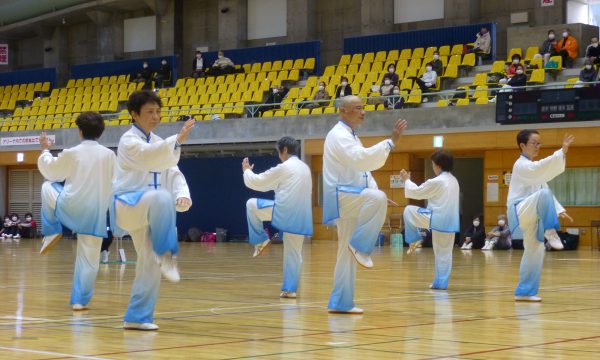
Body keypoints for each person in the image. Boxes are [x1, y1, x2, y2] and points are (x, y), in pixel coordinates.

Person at [113, 90, 195, 330]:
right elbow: (151, 158)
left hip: (151, 213)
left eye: (158, 111)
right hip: (127, 204)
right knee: (160, 197)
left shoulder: (159, 142)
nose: (156, 116)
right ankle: (168, 252)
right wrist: (177, 140)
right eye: (150, 112)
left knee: (149, 262)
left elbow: (172, 171)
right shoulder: (128, 141)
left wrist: (182, 194)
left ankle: (137, 317)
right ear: (134, 115)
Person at [323, 95, 407, 314]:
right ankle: (360, 245)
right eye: (358, 108)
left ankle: (341, 302)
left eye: (363, 107)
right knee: (377, 200)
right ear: (343, 111)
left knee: (344, 251)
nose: (363, 112)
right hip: (342, 196)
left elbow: (363, 170)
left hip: (352, 196)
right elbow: (362, 159)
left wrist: (375, 191)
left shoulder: (351, 136)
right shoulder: (338, 136)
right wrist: (390, 142)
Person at [37, 112, 116, 311]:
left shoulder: (71, 152)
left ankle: (52, 230)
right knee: (89, 259)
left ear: (80, 132)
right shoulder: (109, 155)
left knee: (47, 186)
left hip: (69, 207)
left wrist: (45, 151)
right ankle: (80, 301)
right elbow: (117, 184)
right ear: (101, 132)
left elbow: (52, 172)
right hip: (95, 213)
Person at [508, 129, 575, 302]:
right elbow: (540, 174)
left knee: (535, 252)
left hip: (533, 214)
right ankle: (551, 231)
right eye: (534, 143)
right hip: (519, 210)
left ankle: (524, 292)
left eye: (539, 143)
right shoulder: (521, 165)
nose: (538, 146)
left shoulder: (533, 169)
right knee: (544, 195)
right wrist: (561, 152)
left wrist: (559, 209)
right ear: (522, 145)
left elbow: (543, 188)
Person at [242, 136, 312, 299]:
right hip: (302, 216)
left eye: (279, 151)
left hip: (285, 211)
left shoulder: (284, 168)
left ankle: (260, 240)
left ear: (285, 150)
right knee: (294, 253)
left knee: (251, 204)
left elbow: (257, 182)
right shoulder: (305, 169)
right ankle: (290, 290)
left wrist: (247, 170)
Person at [400, 149, 459, 290]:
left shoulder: (437, 181)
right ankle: (441, 283)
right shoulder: (454, 180)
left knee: (408, 211)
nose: (433, 167)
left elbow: (416, 192)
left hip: (436, 218)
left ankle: (414, 239)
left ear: (438, 165)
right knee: (444, 253)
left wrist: (406, 180)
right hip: (450, 223)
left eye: (433, 164)